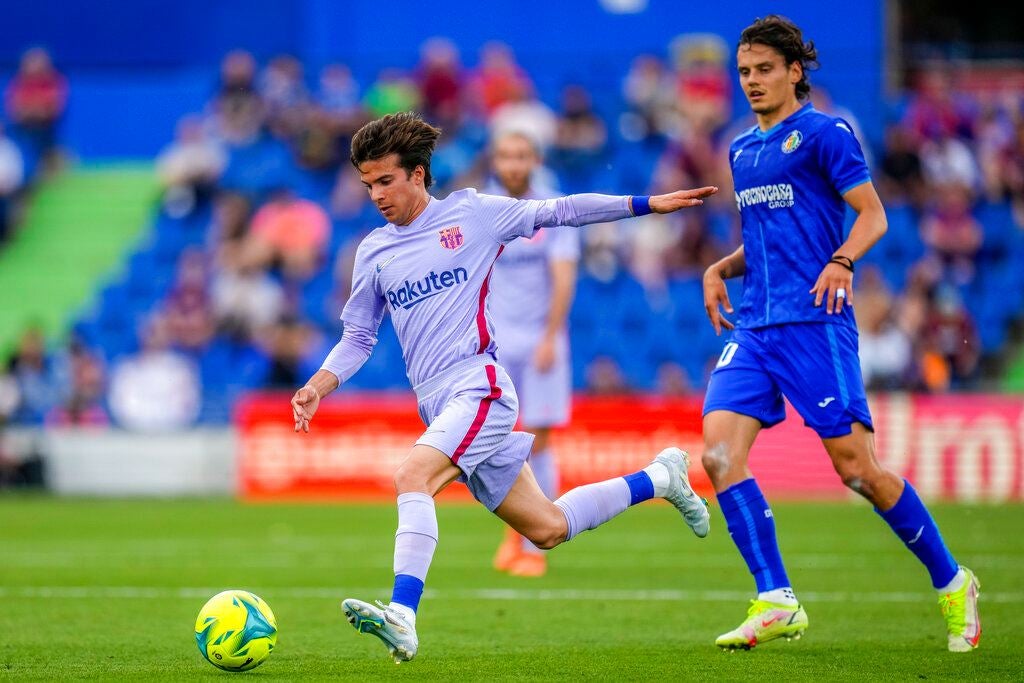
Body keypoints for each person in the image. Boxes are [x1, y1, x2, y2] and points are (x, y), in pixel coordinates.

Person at [290, 112, 714, 662]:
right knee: (547, 528)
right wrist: (318, 386)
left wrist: (644, 204)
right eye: (368, 184)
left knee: (412, 475)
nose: (375, 195)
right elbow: (358, 336)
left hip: (479, 386)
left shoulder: (474, 214)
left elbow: (559, 210)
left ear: (418, 174)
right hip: (437, 402)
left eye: (385, 181)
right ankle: (660, 478)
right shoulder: (373, 250)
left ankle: (403, 614)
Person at [699, 15, 980, 653]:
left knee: (857, 471)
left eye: (765, 69)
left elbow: (872, 215)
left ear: (795, 71)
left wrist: (842, 260)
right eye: (744, 72)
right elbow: (767, 240)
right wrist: (721, 267)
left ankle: (952, 579)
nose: (753, 82)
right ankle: (776, 598)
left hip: (815, 324)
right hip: (756, 325)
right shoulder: (743, 150)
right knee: (718, 456)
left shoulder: (826, 135)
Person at [484, 131, 579, 578]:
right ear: (496, 159)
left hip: (542, 341)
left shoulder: (551, 210)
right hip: (496, 344)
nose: (514, 163)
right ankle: (515, 536)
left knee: (539, 438)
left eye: (521, 155)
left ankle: (536, 545)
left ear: (535, 160)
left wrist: (550, 336)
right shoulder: (484, 210)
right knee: (499, 440)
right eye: (506, 155)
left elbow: (564, 277)